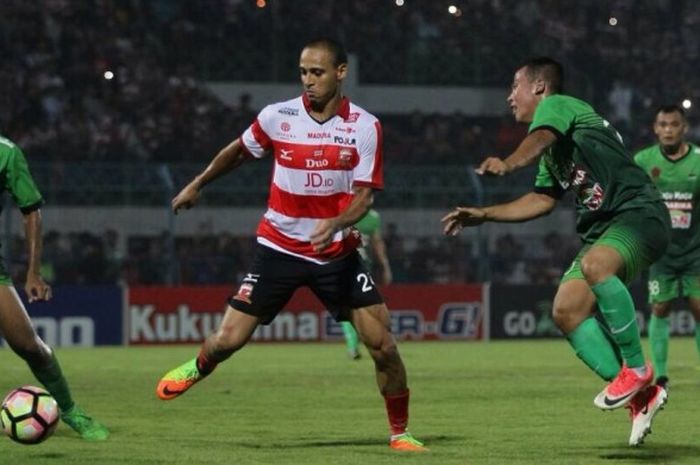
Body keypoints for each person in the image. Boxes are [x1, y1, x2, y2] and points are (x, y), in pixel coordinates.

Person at [155, 38, 425, 452]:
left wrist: (335, 222)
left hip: (336, 254)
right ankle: (198, 365)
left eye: (317, 72)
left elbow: (364, 198)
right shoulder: (277, 116)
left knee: (384, 346)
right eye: (303, 72)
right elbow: (239, 152)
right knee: (227, 340)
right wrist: (198, 183)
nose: (308, 81)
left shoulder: (365, 126)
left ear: (340, 72)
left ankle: (399, 432)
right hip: (279, 248)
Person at [441, 57, 670, 447]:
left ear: (540, 88)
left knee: (595, 264)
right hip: (606, 228)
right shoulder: (554, 149)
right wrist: (485, 214)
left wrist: (509, 162)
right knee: (566, 310)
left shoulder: (558, 107)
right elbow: (542, 200)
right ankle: (643, 396)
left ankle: (636, 369)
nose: (510, 96)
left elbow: (541, 136)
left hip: (638, 214)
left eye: (516, 86)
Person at [0, 136, 109, 441]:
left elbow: (31, 211)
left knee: (29, 345)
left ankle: (70, 410)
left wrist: (33, 272)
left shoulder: (5, 153)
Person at [634, 105, 700, 389]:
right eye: (664, 124)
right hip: (662, 252)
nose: (669, 129)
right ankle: (660, 375)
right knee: (660, 308)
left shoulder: (698, 161)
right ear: (655, 128)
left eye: (675, 124)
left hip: (697, 251)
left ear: (684, 128)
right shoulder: (643, 161)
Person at [342, 208, 393, 359]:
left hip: (359, 266)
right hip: (347, 264)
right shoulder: (365, 215)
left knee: (354, 306)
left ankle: (356, 343)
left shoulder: (370, 216)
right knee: (354, 305)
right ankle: (356, 344)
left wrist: (385, 266)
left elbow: (377, 243)